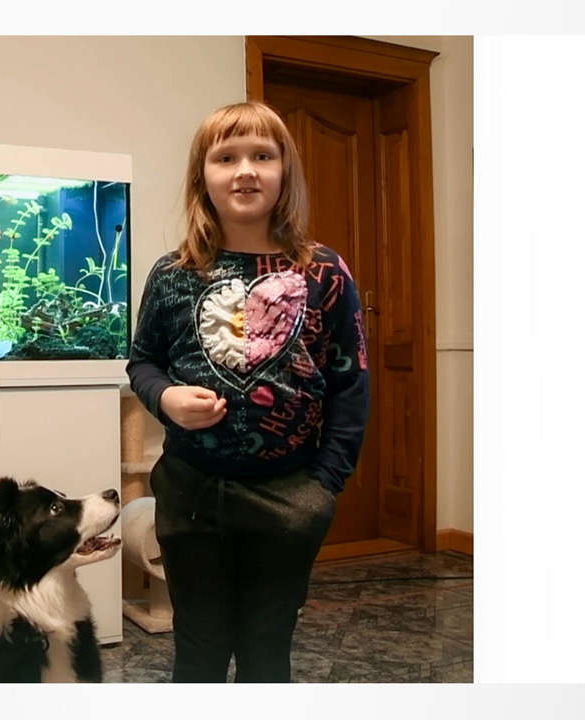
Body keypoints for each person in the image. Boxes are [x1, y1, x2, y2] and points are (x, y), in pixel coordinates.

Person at [127, 101, 371, 683]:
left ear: (285, 171)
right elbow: (143, 361)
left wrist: (324, 485)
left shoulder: (326, 273)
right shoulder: (172, 273)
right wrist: (165, 399)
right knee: (199, 651)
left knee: (267, 651)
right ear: (202, 175)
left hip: (290, 494)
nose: (245, 171)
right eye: (226, 157)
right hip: (190, 492)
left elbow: (350, 381)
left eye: (263, 156)